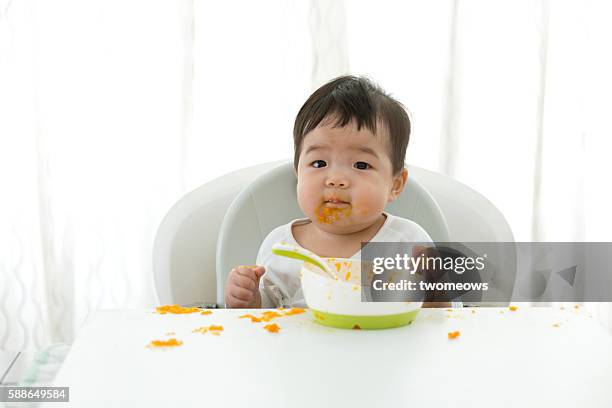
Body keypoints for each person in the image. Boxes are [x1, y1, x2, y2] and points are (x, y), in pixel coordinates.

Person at [224, 75, 454, 309]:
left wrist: (436, 295)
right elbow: (263, 318)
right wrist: (248, 298)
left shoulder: (408, 242)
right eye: (319, 163)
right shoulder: (281, 248)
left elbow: (440, 322)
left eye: (361, 165)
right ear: (298, 174)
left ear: (395, 185)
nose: (336, 180)